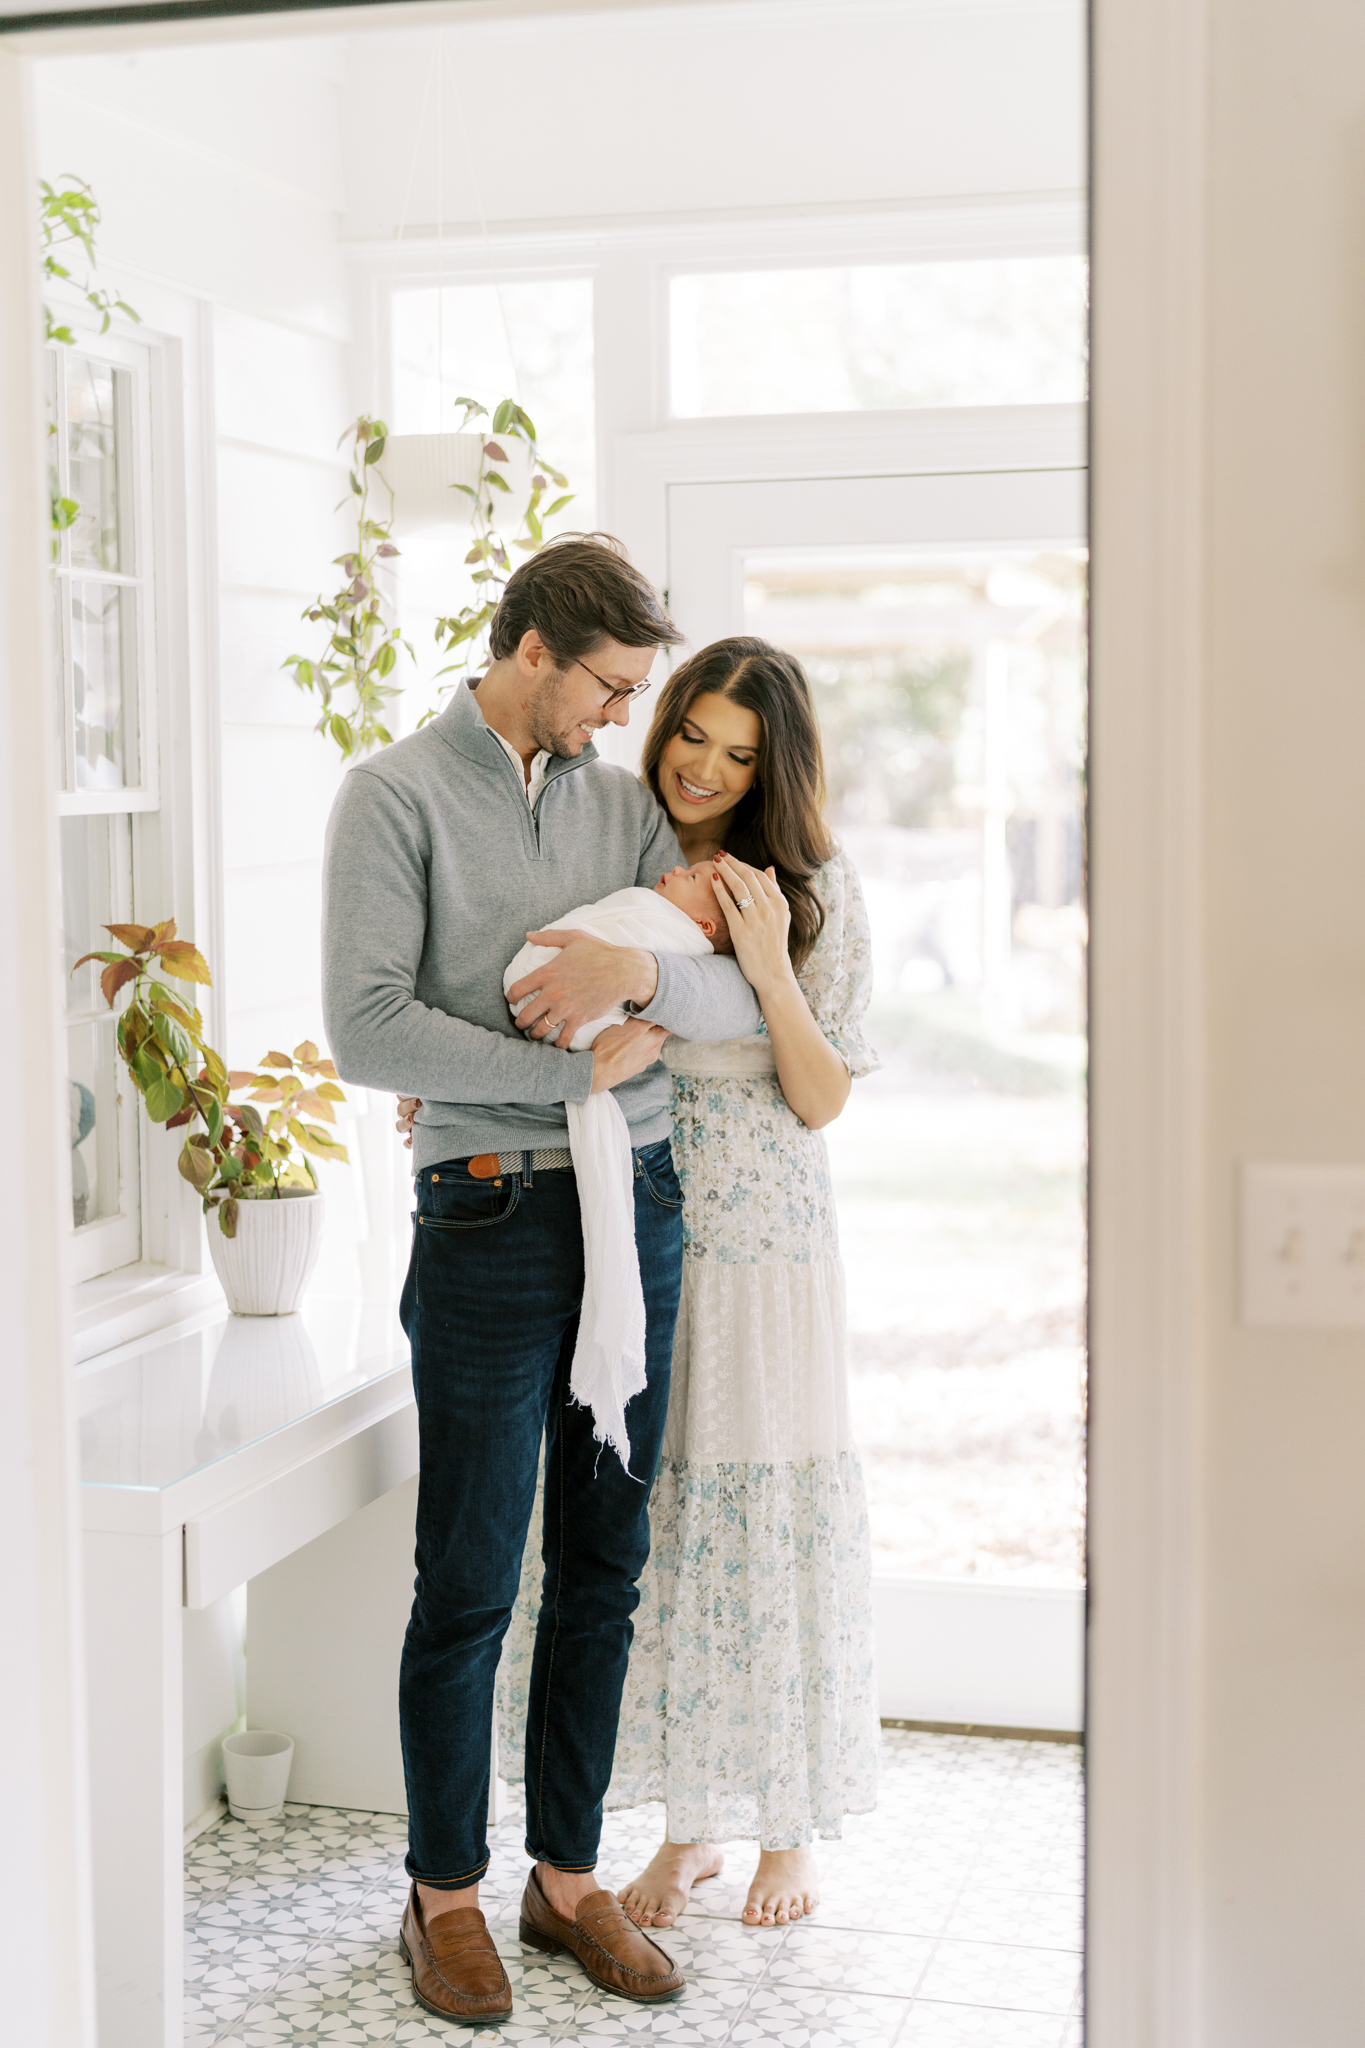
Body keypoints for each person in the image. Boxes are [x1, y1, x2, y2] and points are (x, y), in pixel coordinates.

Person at [322, 537, 767, 2028]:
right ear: (532, 651)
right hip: (489, 1214)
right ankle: (444, 1896)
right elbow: (371, 1030)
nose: (621, 717)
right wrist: (556, 1056)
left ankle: (564, 1883)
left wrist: (635, 981)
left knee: (603, 1562)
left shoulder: (627, 803)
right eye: (608, 686)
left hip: (630, 1204)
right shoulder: (392, 795)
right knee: (466, 1577)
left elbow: (711, 983)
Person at [403, 636, 880, 1934]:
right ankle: (687, 1824)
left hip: (765, 1244)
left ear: (773, 767)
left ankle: (782, 1821)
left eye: (739, 754)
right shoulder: (625, 846)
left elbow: (822, 1089)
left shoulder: (811, 885)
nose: (707, 768)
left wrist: (768, 970)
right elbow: (551, 982)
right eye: (693, 736)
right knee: (646, 1532)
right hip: (635, 1212)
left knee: (760, 1515)